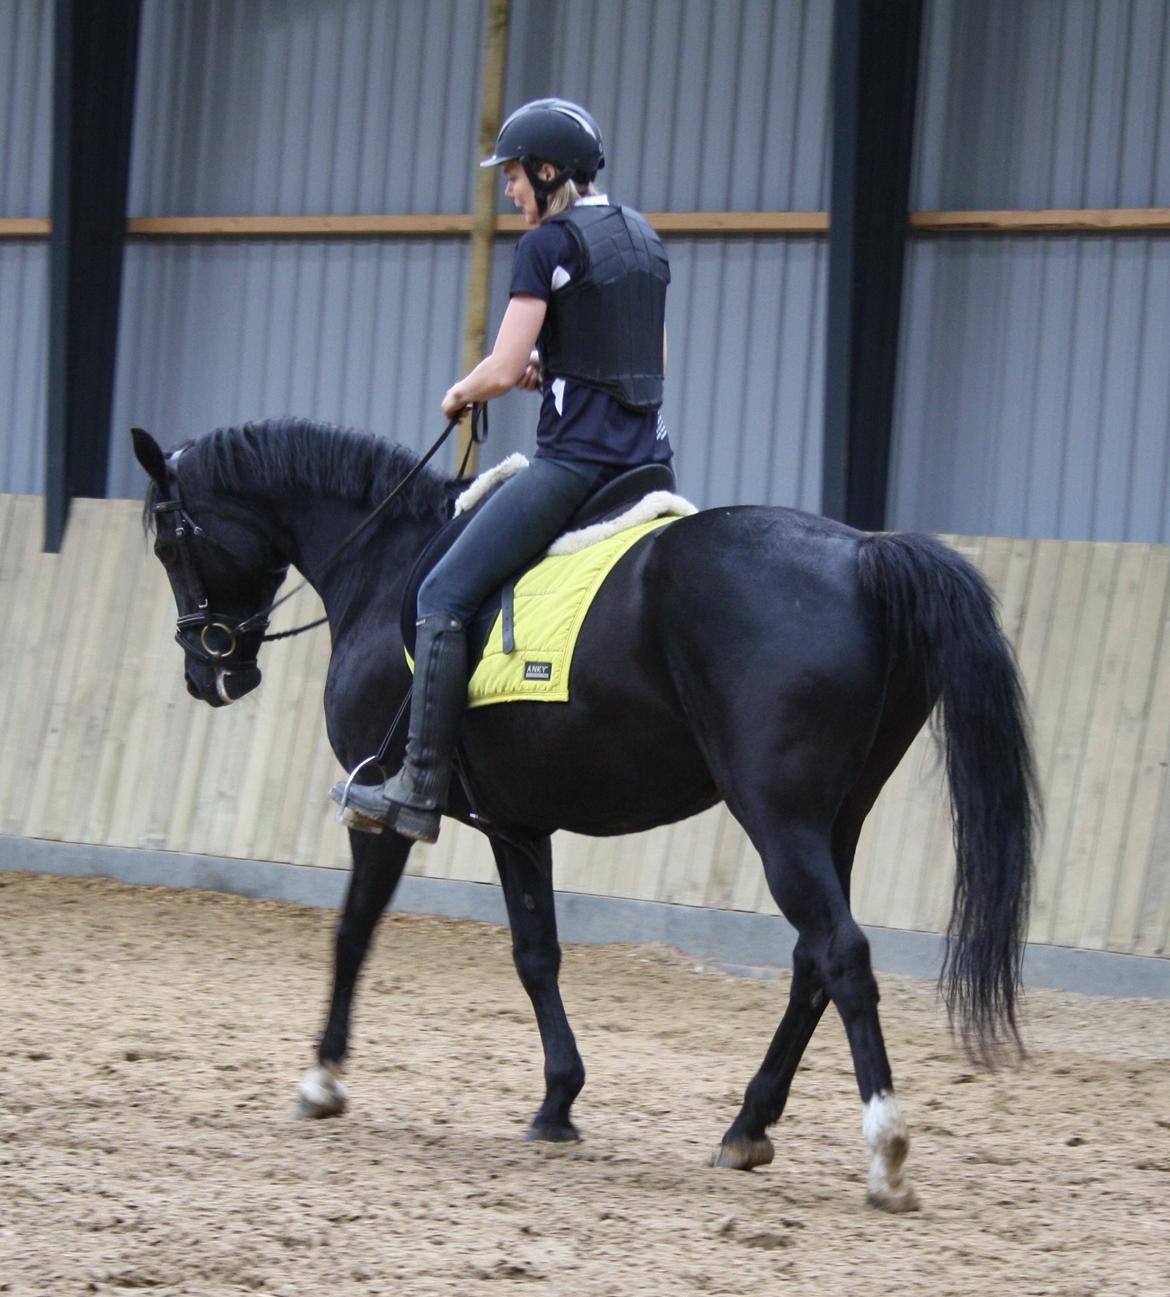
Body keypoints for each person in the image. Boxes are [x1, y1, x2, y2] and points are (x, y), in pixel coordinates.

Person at [333, 97, 672, 843]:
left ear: (549, 172)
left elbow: (501, 363)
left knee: (441, 591)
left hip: (577, 470)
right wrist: (561, 366)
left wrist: (466, 389)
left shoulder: (547, 244)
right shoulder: (644, 239)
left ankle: (421, 785)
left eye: (515, 177)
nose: (511, 191)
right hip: (650, 470)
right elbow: (655, 358)